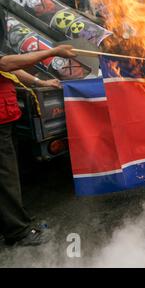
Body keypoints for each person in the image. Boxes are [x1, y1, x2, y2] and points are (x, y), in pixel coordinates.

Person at [1, 41, 76, 246]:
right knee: (5, 177)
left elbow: (10, 70)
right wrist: (52, 52)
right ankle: (18, 232)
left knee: (9, 175)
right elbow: (5, 64)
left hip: (6, 119)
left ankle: (14, 220)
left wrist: (40, 82)